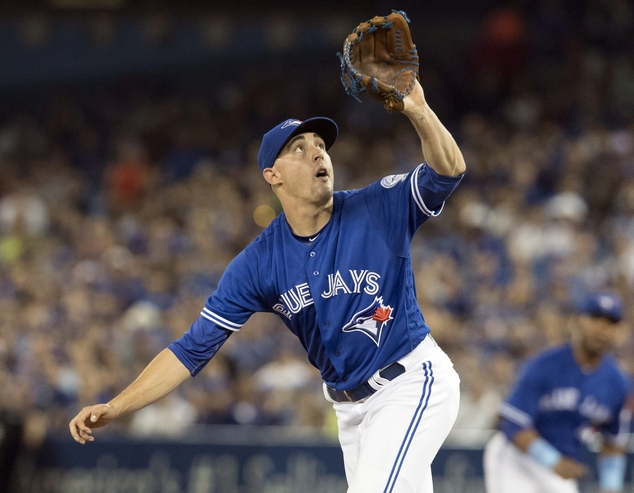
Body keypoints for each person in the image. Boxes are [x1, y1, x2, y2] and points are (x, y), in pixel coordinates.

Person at [69, 78, 466, 493]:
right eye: (300, 147)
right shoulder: (259, 262)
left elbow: (448, 172)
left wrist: (419, 111)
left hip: (410, 382)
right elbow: (191, 349)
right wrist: (117, 405)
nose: (317, 152)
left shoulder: (376, 207)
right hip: (351, 412)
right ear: (272, 176)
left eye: (321, 145)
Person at [483, 291, 631, 493]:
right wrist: (553, 461)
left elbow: (613, 443)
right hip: (516, 458)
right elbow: (513, 423)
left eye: (610, 323)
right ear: (578, 321)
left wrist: (610, 488)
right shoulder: (545, 365)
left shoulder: (618, 383)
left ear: (618, 330)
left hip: (560, 466)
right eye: (596, 318)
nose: (602, 329)